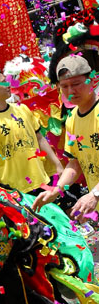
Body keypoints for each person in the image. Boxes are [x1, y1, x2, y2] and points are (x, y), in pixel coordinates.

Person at [0, 69, 63, 194]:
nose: (8, 84)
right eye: (3, 82)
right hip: (14, 190)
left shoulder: (22, 109)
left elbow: (40, 139)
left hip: (41, 180)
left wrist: (57, 164)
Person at [33, 55, 99, 219]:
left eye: (76, 84)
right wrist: (56, 190)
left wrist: (95, 194)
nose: (71, 91)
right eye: (65, 86)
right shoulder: (72, 119)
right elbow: (74, 163)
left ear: (92, 80)